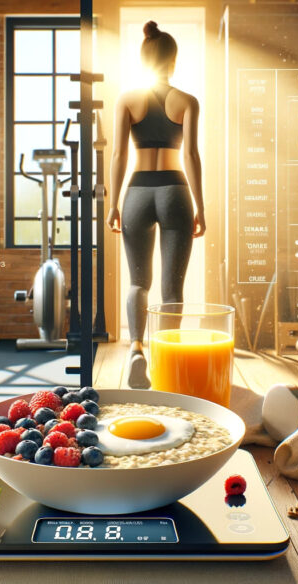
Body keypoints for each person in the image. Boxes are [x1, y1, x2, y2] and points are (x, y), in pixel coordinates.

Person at [106, 21, 205, 388]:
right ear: (173, 61)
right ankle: (166, 354)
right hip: (174, 191)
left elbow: (118, 154)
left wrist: (114, 203)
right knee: (172, 287)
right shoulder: (187, 101)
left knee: (138, 281)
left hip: (137, 192)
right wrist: (201, 206)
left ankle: (135, 348)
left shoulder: (127, 99)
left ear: (144, 59)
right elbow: (192, 155)